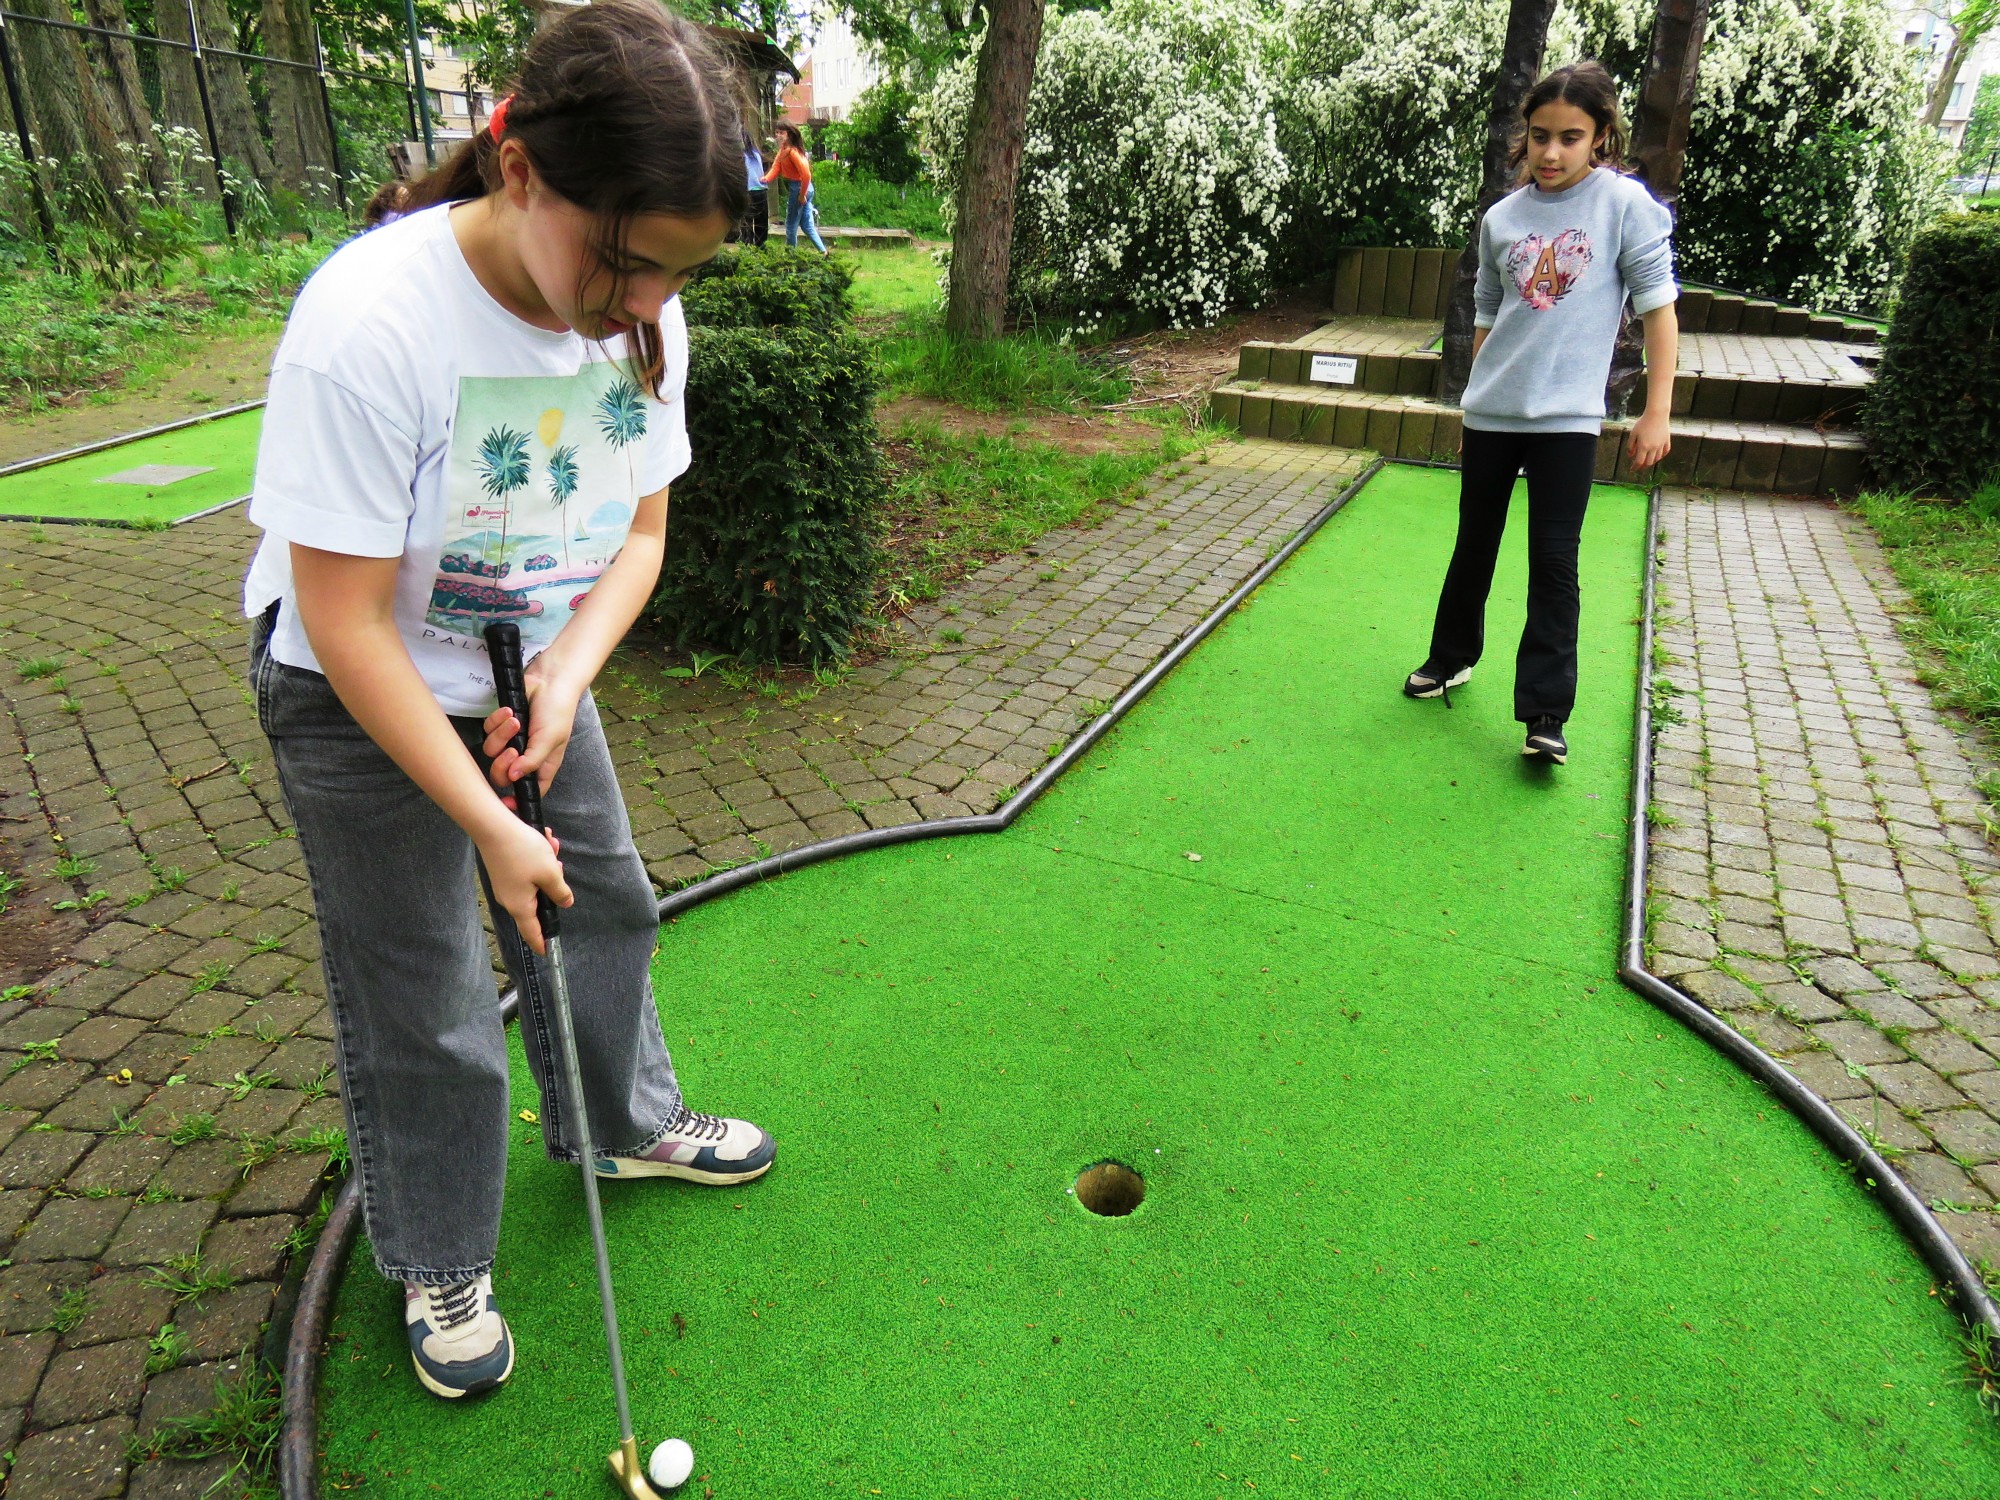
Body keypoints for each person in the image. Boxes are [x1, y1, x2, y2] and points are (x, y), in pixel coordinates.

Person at [240, 0, 775, 1403]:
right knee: (428, 994)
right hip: (358, 695)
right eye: (628, 265)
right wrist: (484, 819)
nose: (646, 307)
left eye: (677, 275)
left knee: (607, 895)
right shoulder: (370, 324)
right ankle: (438, 1253)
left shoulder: (640, 325)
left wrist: (563, 679)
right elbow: (346, 622)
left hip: (521, 666)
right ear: (520, 167)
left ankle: (620, 1121)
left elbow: (641, 538)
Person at [1404, 61, 1678, 766]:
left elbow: (1658, 311)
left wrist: (1657, 412)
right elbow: (1490, 316)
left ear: (1600, 138)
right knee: (1475, 544)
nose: (1551, 153)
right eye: (1539, 136)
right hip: (1493, 414)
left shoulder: (1625, 206)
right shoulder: (1503, 217)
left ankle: (1545, 713)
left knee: (1554, 561)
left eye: (1570, 137)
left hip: (1567, 421)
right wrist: (1474, 404)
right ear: (1522, 138)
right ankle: (1451, 657)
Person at [763, 120, 828, 253]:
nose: (778, 135)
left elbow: (806, 175)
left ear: (790, 135)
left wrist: (802, 195)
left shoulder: (792, 152)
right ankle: (824, 252)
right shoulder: (783, 150)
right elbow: (776, 167)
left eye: (782, 133)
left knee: (791, 226)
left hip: (800, 188)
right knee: (806, 225)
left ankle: (790, 257)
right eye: (777, 132)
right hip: (804, 188)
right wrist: (765, 179)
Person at [742, 124, 770, 247]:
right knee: (762, 223)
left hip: (749, 191)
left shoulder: (741, 155)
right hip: (762, 190)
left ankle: (747, 245)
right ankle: (761, 247)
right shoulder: (756, 153)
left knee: (747, 222)